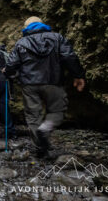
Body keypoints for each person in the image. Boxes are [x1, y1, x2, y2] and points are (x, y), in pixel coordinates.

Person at [5, 16, 86, 157]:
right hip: (53, 82)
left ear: (26, 28)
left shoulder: (21, 43)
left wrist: (12, 75)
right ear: (42, 24)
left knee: (33, 116)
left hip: (29, 84)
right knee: (57, 110)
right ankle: (46, 128)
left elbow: (11, 65)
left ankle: (40, 148)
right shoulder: (57, 38)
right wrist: (78, 75)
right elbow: (69, 57)